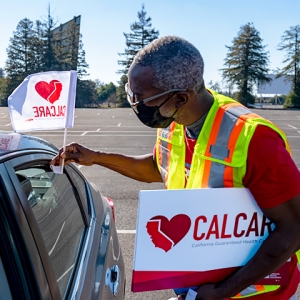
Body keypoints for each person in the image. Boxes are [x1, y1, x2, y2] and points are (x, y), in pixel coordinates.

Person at [50, 36, 300, 300]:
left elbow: (293, 228)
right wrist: (96, 157)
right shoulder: (173, 121)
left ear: (180, 98)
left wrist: (223, 291)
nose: (135, 104)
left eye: (142, 99)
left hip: (255, 293)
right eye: (130, 93)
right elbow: (159, 168)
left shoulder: (253, 139)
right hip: (204, 286)